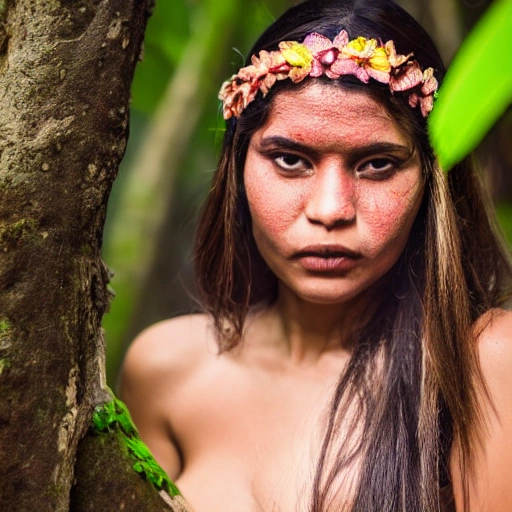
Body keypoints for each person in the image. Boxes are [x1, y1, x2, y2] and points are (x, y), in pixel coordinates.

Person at [120, 0, 512, 510]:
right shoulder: (165, 369)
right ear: (238, 166)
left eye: (376, 164)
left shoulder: (481, 363)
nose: (330, 210)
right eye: (290, 159)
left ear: (431, 182)